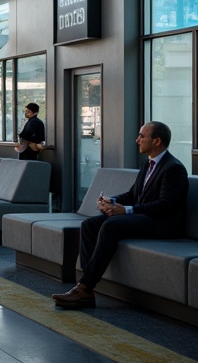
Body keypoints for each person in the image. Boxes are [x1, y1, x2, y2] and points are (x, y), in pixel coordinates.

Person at [53, 122, 187, 309]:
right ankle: (85, 285)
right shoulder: (148, 165)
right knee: (89, 225)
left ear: (156, 141)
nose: (137, 140)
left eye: (142, 136)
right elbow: (133, 194)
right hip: (144, 219)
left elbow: (165, 206)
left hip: (162, 223)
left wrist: (126, 210)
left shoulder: (173, 168)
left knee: (111, 225)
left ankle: (85, 286)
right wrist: (112, 201)